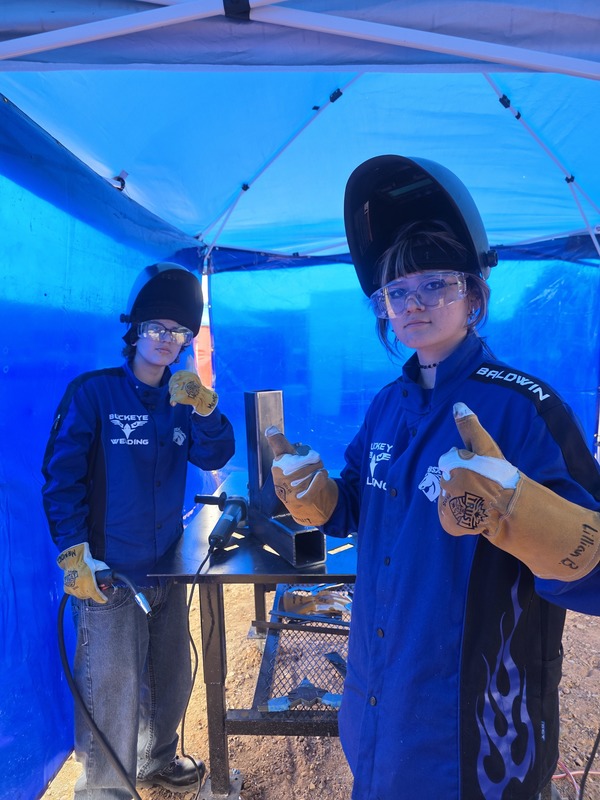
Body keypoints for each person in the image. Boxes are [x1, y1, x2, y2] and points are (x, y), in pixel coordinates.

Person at [268, 155, 600, 800]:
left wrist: (524, 517)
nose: (414, 303)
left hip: (477, 735)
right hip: (377, 708)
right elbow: (358, 507)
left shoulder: (525, 407)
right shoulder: (387, 405)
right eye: (397, 292)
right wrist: (319, 498)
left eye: (435, 284)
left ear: (474, 296)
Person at [42, 262, 235, 799]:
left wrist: (205, 408)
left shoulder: (182, 399)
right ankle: (104, 791)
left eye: (179, 331)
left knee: (169, 678)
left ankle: (155, 760)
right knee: (111, 689)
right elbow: (61, 479)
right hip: (109, 572)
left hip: (165, 565)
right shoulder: (95, 394)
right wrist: (75, 552)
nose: (167, 339)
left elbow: (215, 454)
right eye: (156, 327)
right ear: (135, 330)